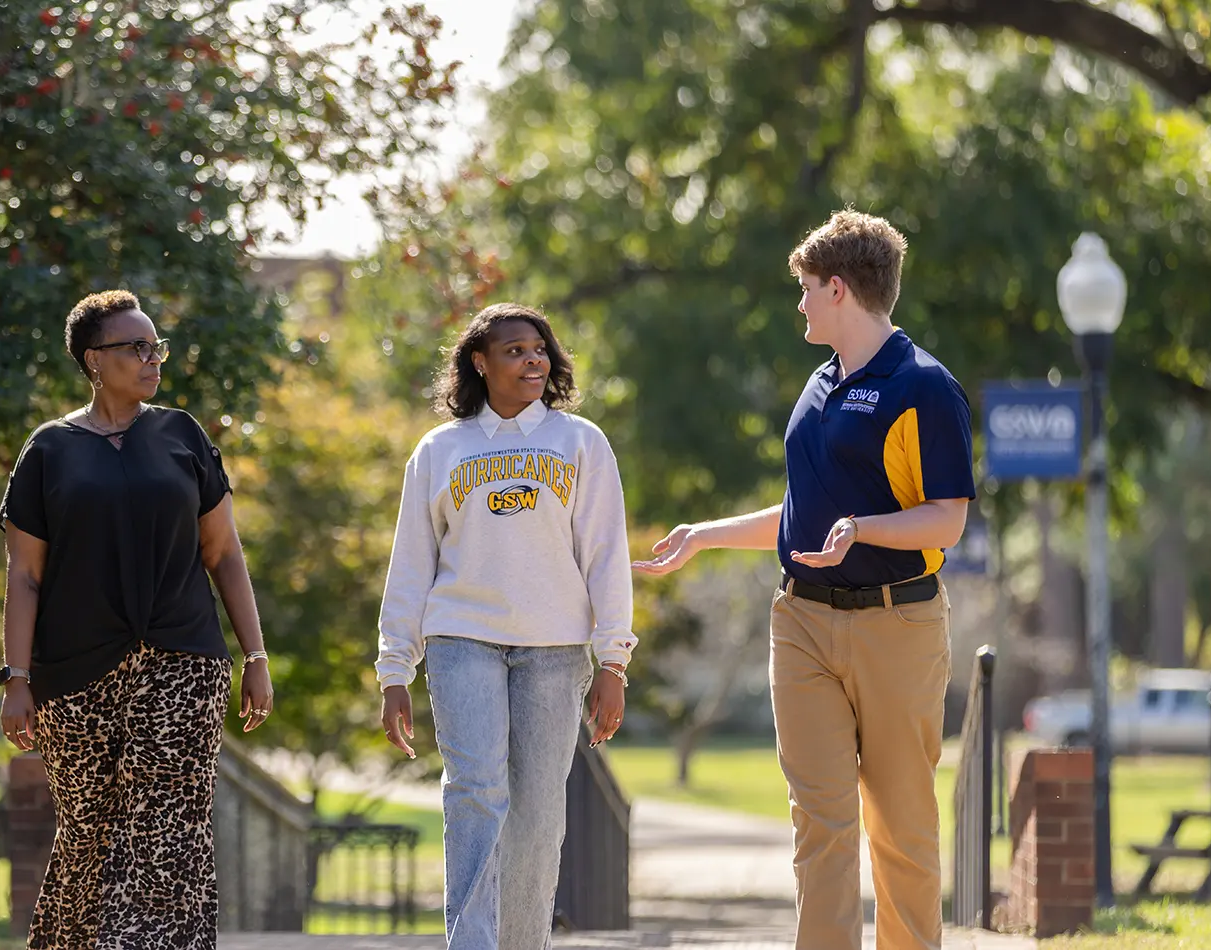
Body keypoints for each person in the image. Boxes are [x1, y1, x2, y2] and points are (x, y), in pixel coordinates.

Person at [636, 211, 975, 950]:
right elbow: (803, 514)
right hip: (801, 623)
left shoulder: (924, 387)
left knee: (901, 825)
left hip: (898, 626)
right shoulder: (819, 385)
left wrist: (867, 528)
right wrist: (707, 537)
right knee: (820, 824)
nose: (798, 305)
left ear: (838, 288)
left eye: (805, 290)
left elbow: (947, 519)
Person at [0, 289, 274, 949]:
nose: (153, 359)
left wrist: (255, 658)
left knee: (172, 831)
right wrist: (16, 678)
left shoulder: (181, 434)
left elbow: (224, 553)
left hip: (183, 659)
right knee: (90, 832)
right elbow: (25, 576)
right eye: (136, 348)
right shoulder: (49, 450)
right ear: (94, 360)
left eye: (157, 347)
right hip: (73, 673)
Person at [376, 302, 637, 950]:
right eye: (516, 350)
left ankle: (523, 943)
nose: (532, 360)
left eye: (539, 349)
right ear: (479, 362)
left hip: (555, 650)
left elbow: (605, 557)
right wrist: (393, 668)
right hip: (462, 640)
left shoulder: (581, 442)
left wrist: (613, 662)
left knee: (540, 812)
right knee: (475, 792)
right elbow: (410, 563)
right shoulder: (440, 450)